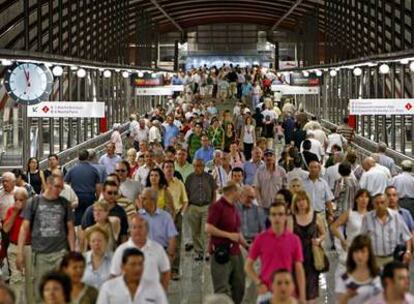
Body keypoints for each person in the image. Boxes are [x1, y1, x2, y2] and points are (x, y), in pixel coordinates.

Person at [17, 175, 75, 301]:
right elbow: (24, 228)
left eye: (61, 187)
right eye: (57, 186)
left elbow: (70, 228)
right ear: (48, 185)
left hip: (60, 252)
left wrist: (73, 251)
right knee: (41, 289)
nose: (60, 190)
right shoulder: (34, 202)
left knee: (61, 288)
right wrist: (20, 252)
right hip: (40, 253)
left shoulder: (64, 203)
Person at [245, 202, 306, 303]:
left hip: (286, 290)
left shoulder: (294, 240)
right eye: (273, 214)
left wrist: (302, 296)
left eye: (281, 214)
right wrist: (258, 282)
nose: (277, 218)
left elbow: (299, 269)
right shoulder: (261, 238)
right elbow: (248, 266)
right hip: (266, 291)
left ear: (286, 216)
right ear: (269, 217)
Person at [206, 181, 247, 304]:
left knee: (239, 285)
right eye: (239, 191)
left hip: (235, 252)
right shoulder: (218, 206)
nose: (240, 194)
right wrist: (228, 235)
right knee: (222, 288)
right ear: (232, 191)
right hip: (221, 251)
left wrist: (247, 246)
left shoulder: (233, 208)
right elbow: (208, 228)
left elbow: (237, 232)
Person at [287, 190, 326, 302]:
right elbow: (288, 238)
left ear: (308, 201)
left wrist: (319, 240)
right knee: (297, 288)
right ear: (295, 203)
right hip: (297, 257)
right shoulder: (291, 219)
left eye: (303, 200)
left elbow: (323, 234)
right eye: (298, 201)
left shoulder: (316, 216)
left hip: (312, 256)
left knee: (311, 289)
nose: (301, 203)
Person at [98, 248, 168, 304]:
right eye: (133, 264)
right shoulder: (108, 287)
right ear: (123, 267)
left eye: (140, 264)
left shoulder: (155, 287)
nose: (138, 268)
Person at [360, 193, 412, 268]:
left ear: (387, 203)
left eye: (382, 202)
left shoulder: (396, 216)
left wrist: (408, 251)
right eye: (377, 203)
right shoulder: (367, 218)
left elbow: (407, 236)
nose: (380, 206)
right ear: (373, 205)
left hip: (391, 258)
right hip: (374, 258)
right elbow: (362, 238)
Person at [330, 189, 372, 277]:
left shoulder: (371, 215)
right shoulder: (350, 213)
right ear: (356, 199)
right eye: (361, 197)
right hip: (351, 248)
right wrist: (342, 239)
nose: (364, 199)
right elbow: (333, 227)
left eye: (366, 197)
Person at [3, 188, 34, 304]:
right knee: (16, 279)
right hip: (14, 247)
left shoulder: (32, 211)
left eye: (21, 200)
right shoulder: (11, 210)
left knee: (30, 279)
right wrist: (15, 213)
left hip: (29, 247)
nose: (18, 202)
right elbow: (6, 229)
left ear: (27, 200)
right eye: (16, 199)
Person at [335, 234, 381, 304]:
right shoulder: (344, 279)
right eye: (356, 251)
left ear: (369, 253)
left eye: (363, 251)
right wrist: (346, 296)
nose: (359, 256)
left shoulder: (379, 275)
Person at [185, 159, 217, 261]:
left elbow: (214, 192)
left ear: (203, 166)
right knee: (195, 232)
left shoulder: (209, 178)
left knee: (206, 231)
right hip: (193, 207)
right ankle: (198, 252)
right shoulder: (189, 178)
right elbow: (186, 192)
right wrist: (188, 206)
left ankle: (207, 251)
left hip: (206, 207)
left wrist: (213, 205)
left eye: (199, 166)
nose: (197, 168)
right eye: (195, 166)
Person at [163, 160, 188, 280]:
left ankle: (174, 270)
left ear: (174, 169)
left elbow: (185, 201)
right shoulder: (159, 184)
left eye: (171, 167)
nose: (168, 169)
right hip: (162, 217)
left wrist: (181, 213)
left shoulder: (179, 183)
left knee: (176, 243)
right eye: (166, 167)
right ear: (163, 169)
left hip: (177, 216)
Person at [138, 188, 177, 262]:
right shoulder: (138, 216)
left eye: (144, 199)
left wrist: (170, 255)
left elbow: (172, 238)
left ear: (153, 200)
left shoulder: (166, 217)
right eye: (141, 198)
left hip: (161, 252)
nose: (141, 201)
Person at [65, 150, 101, 226]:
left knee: (78, 217)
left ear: (78, 158)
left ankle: (79, 233)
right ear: (88, 157)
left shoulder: (72, 170)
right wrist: (98, 199)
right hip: (90, 197)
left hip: (77, 197)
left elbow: (65, 183)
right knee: (89, 218)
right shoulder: (94, 170)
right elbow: (98, 187)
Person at [254, 149, 287, 214]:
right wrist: (260, 203)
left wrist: (283, 202)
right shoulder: (259, 171)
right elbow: (257, 188)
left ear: (274, 157)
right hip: (264, 206)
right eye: (266, 155)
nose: (268, 157)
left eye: (270, 155)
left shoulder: (282, 171)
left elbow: (285, 188)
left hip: (278, 205)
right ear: (263, 158)